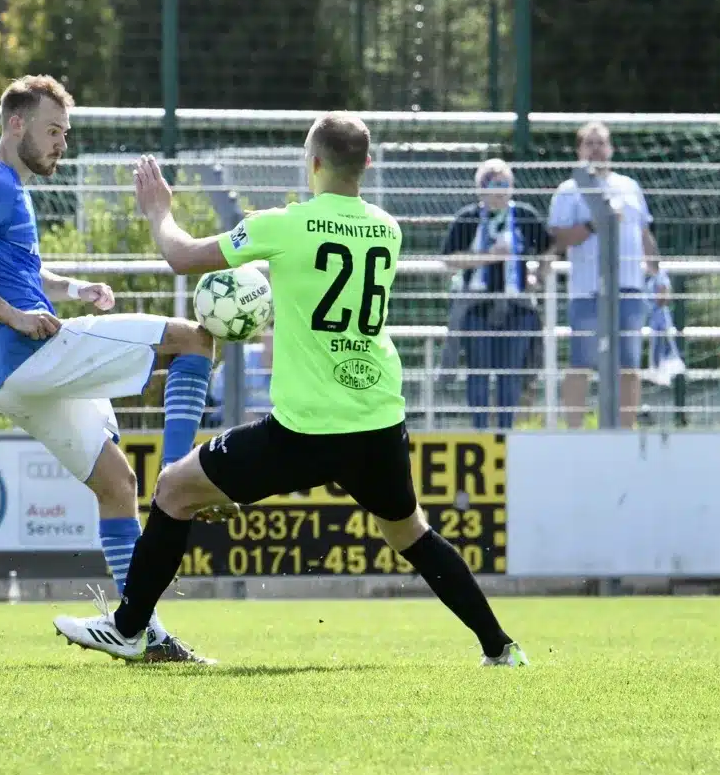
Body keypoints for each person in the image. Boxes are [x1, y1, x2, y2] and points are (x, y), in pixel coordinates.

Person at [52, 112, 529, 668]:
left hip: (308, 426)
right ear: (366, 167)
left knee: (174, 491)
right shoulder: (387, 228)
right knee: (410, 532)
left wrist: (159, 211)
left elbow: (181, 256)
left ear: (315, 163)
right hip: (376, 417)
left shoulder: (285, 224)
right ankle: (500, 647)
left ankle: (129, 627)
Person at [0, 75, 223, 664]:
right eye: (52, 130)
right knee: (194, 339)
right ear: (15, 125)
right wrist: (14, 315)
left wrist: (71, 286)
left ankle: (143, 631)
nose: (61, 143)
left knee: (116, 486)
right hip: (28, 355)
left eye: (65, 132)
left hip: (13, 381)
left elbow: (15, 275)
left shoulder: (13, 190)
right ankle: (182, 479)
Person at [548, 121, 665, 429]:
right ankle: (574, 432)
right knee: (581, 363)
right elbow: (558, 239)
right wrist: (594, 225)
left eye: (602, 143)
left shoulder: (629, 186)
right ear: (579, 150)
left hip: (629, 290)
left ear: (611, 149)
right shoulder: (569, 191)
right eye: (590, 143)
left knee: (628, 365)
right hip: (587, 292)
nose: (597, 149)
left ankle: (624, 433)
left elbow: (644, 235)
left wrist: (659, 275)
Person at [440, 158, 550, 430]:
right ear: (480, 188)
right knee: (478, 369)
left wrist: (539, 273)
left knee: (510, 371)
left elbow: (549, 249)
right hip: (477, 304)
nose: (499, 190)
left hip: (517, 304)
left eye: (504, 183)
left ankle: (505, 430)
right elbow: (450, 259)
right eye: (492, 183)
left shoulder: (524, 215)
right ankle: (480, 430)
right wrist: (487, 257)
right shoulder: (468, 218)